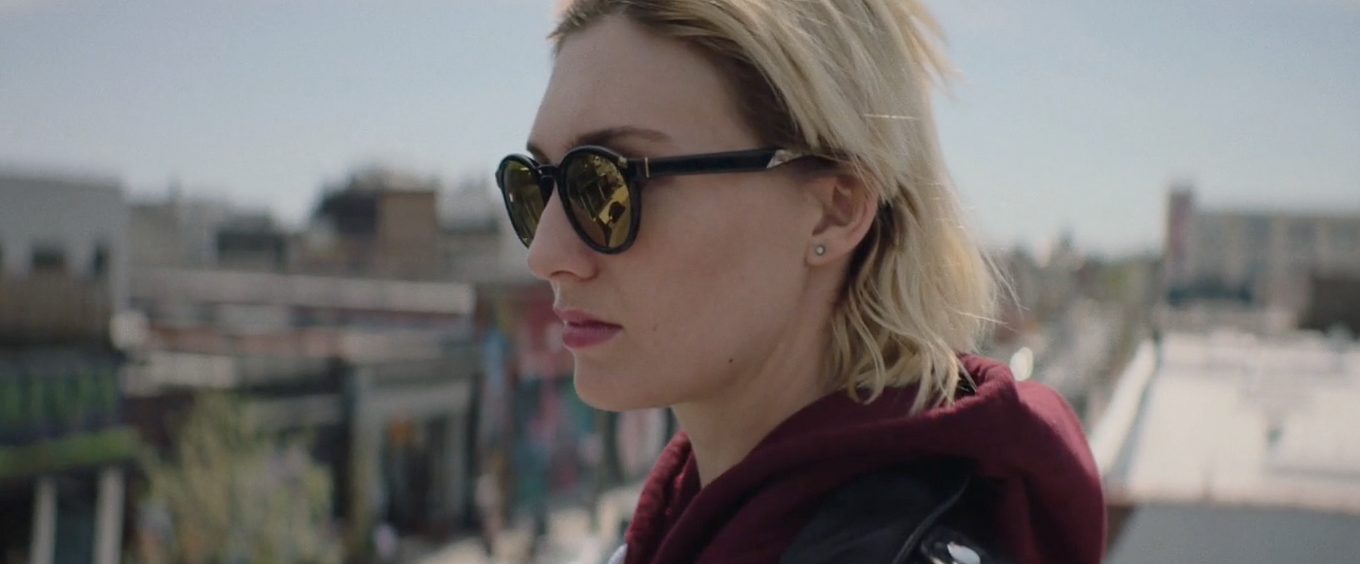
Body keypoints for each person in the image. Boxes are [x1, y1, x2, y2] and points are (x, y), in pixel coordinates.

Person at [493, 1, 1106, 563]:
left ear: (834, 209)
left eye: (607, 184)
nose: (545, 254)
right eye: (535, 186)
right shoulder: (683, 526)